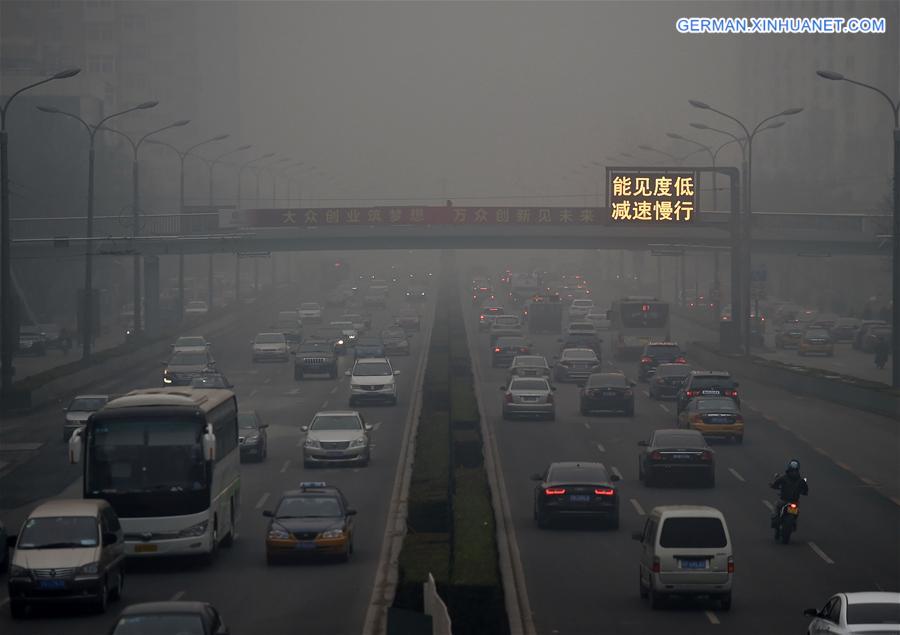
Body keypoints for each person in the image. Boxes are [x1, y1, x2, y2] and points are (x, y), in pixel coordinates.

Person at [769, 459, 809, 527]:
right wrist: (804, 492)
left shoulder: (784, 477)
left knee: (776, 507)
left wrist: (773, 486)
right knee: (796, 510)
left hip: (784, 500)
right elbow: (805, 490)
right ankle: (793, 522)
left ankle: (775, 519)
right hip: (794, 502)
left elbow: (776, 483)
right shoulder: (801, 480)